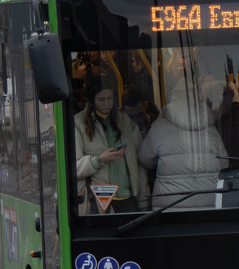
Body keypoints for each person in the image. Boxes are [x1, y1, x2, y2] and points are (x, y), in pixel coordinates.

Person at [138, 72, 229, 210]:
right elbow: (224, 162)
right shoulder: (210, 128)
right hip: (208, 205)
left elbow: (144, 158)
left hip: (169, 206)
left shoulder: (159, 127)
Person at [73, 78, 147, 214]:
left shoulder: (125, 121)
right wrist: (98, 161)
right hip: (99, 201)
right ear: (91, 100)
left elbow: (140, 160)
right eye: (101, 99)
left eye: (110, 98)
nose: (107, 104)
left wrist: (143, 200)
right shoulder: (78, 123)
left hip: (129, 197)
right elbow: (73, 169)